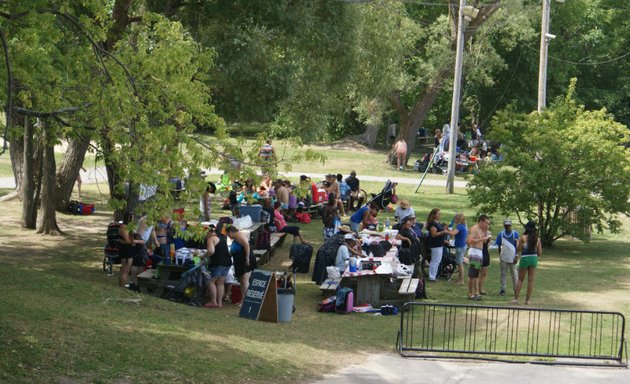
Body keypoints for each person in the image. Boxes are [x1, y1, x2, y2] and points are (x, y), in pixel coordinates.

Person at [512, 221, 542, 305]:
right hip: (533, 258)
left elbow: (519, 249)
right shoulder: (538, 239)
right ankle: (527, 300)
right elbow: (540, 252)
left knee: (520, 280)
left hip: (525, 258)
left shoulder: (523, 238)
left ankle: (515, 299)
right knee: (530, 280)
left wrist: (518, 244)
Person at [202, 224, 232, 308]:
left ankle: (213, 301)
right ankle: (219, 303)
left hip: (218, 263)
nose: (205, 236)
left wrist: (203, 257)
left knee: (210, 282)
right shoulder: (221, 238)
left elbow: (211, 251)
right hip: (227, 262)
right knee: (220, 283)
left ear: (208, 233)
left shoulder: (211, 239)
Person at [226, 225, 256, 307]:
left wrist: (247, 258)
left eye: (228, 234)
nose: (228, 236)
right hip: (240, 260)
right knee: (242, 281)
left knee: (245, 280)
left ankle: (245, 301)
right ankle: (242, 300)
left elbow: (247, 245)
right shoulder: (236, 236)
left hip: (246, 260)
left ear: (231, 232)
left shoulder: (238, 235)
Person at [426, 208, 455, 282]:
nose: (440, 215)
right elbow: (434, 234)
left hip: (440, 244)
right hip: (435, 244)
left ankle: (434, 275)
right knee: (434, 260)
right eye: (438, 214)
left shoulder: (438, 223)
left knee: (438, 260)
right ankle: (431, 276)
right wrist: (442, 232)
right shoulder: (433, 224)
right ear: (434, 215)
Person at [467, 215, 491, 300]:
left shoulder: (481, 230)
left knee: (476, 275)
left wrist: (486, 234)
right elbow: (470, 240)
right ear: (481, 221)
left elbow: (484, 241)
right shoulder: (474, 228)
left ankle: (476, 292)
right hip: (474, 252)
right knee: (472, 274)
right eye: (486, 223)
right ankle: (470, 293)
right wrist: (482, 239)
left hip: (479, 253)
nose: (487, 225)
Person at [118, 214, 145, 288]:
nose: (133, 219)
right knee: (125, 270)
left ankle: (122, 285)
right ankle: (122, 287)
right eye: (132, 218)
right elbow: (127, 241)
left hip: (129, 249)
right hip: (126, 250)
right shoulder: (124, 227)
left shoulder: (129, 227)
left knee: (126, 270)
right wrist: (136, 241)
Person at [495, 219, 519, 296]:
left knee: (514, 274)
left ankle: (516, 289)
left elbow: (517, 246)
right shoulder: (501, 234)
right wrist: (500, 255)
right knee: (503, 274)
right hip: (504, 257)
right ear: (504, 226)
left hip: (512, 257)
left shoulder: (515, 234)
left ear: (511, 225)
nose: (507, 227)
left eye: (508, 226)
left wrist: (516, 255)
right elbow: (499, 245)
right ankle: (502, 290)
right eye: (506, 226)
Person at [452, 213, 468, 286]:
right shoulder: (463, 226)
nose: (454, 220)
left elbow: (453, 233)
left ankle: (461, 281)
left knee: (460, 264)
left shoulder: (459, 226)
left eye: (454, 218)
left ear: (458, 219)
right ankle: (459, 279)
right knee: (459, 263)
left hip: (460, 247)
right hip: (462, 246)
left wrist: (446, 231)